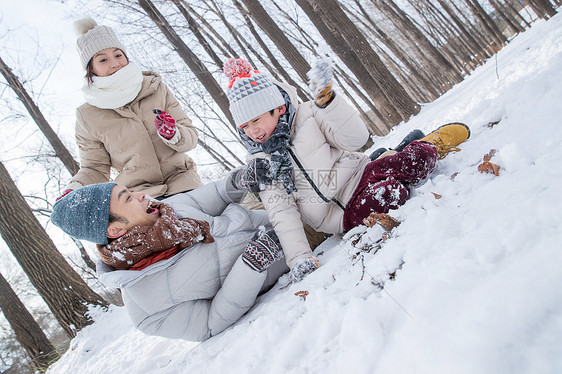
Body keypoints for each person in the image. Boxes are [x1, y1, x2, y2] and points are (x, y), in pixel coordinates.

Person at [222, 57, 471, 281]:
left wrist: (328, 105)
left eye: (256, 120)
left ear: (279, 108)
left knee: (418, 159)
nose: (252, 131)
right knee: (389, 194)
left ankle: (428, 144)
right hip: (339, 216)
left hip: (360, 172)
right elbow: (282, 212)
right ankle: (395, 155)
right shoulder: (262, 164)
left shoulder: (309, 115)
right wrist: (299, 258)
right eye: (244, 126)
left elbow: (356, 139)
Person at [50, 174, 288, 342]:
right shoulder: (146, 309)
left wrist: (238, 180)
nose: (141, 195)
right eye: (128, 198)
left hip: (280, 216)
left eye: (131, 191)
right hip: (287, 255)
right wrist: (252, 265)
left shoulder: (168, 209)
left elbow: (217, 193)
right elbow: (208, 324)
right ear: (114, 230)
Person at [58, 17, 202, 201]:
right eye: (103, 60)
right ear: (90, 70)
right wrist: (75, 189)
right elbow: (95, 167)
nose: (114, 63)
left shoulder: (155, 88)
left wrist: (174, 134)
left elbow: (191, 138)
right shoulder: (88, 116)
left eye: (118, 55)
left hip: (185, 183)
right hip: (140, 198)